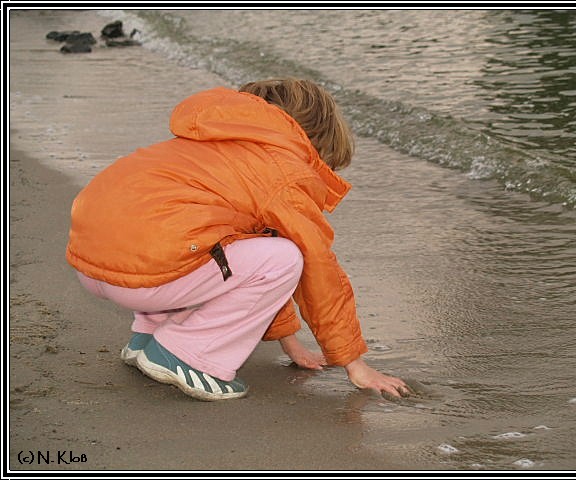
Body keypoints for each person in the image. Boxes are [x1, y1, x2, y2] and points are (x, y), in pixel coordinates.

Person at [66, 78, 409, 401]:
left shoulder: (208, 145)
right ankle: (185, 355)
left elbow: (250, 261)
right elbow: (317, 272)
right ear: (316, 134)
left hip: (92, 265)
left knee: (204, 240)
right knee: (285, 256)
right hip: (145, 278)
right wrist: (353, 363)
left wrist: (292, 346)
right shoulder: (280, 171)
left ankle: (147, 338)